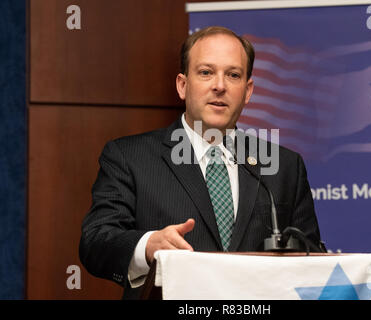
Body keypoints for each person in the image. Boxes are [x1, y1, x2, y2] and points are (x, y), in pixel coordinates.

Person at [79, 26, 323, 299]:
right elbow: (95, 242)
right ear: (182, 85)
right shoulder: (129, 157)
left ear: (248, 91)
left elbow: (311, 257)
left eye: (233, 75)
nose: (220, 85)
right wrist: (148, 246)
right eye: (206, 72)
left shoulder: (284, 166)